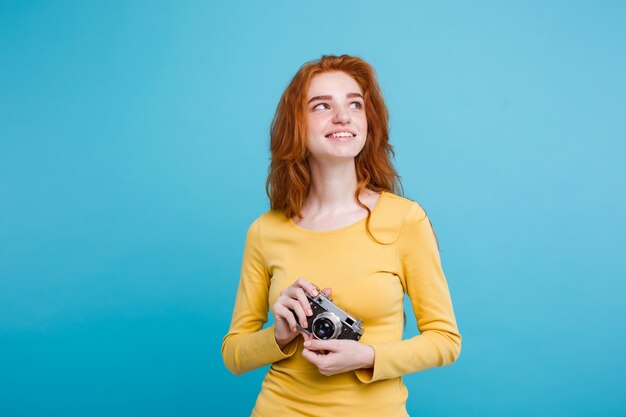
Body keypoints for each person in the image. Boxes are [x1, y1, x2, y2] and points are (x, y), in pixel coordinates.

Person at [221, 54, 461, 417]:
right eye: (321, 106)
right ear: (296, 125)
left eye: (355, 104)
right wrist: (280, 335)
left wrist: (368, 357)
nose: (343, 116)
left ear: (368, 121)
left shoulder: (404, 220)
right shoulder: (265, 230)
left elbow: (446, 341)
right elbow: (234, 355)